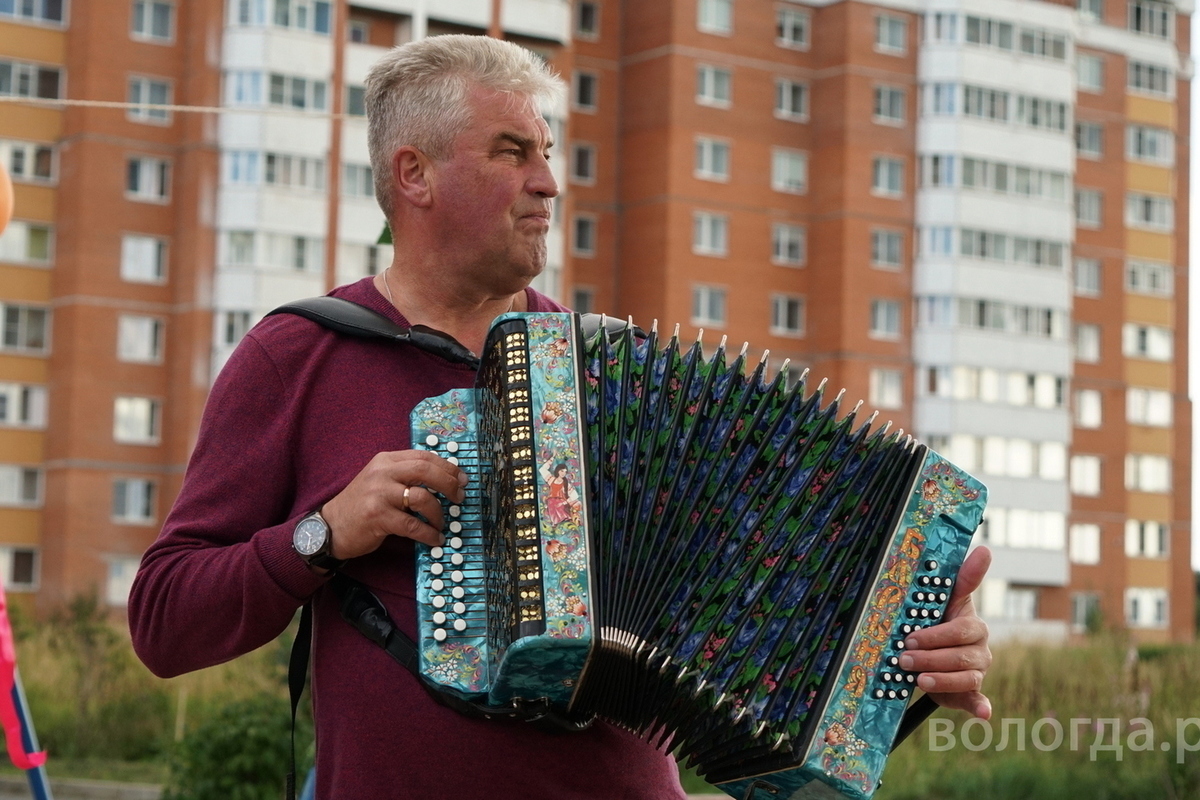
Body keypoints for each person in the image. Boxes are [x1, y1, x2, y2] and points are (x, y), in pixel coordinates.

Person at [128, 34, 993, 799]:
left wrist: (904, 670)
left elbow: (752, 643)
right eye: (511, 152)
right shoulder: (300, 357)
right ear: (414, 173)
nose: (547, 182)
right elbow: (165, 622)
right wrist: (320, 535)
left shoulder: (611, 371)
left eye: (546, 152)